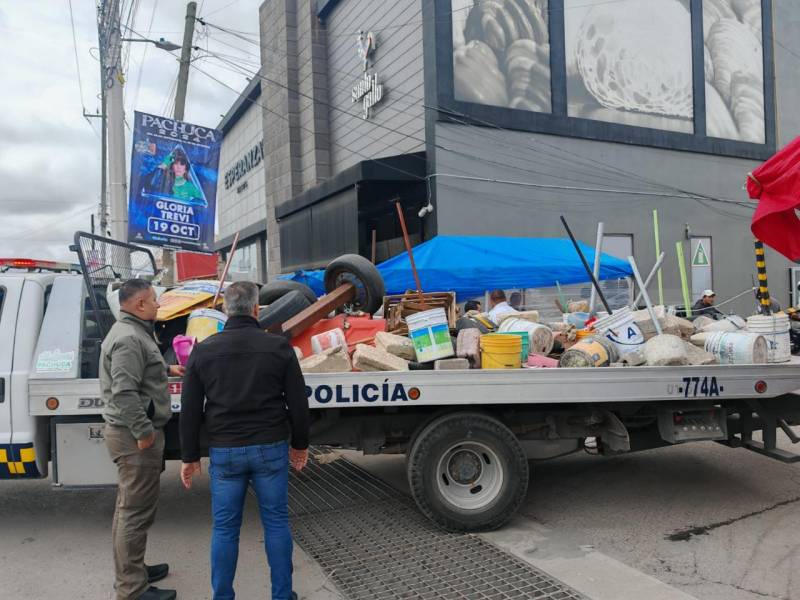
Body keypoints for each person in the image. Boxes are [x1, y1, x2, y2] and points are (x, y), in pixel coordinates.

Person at [179, 281, 310, 600]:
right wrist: (300, 445)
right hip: (270, 447)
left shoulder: (203, 350)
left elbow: (191, 409)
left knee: (224, 529)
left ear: (225, 310)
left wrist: (189, 456)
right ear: (256, 309)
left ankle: (222, 597)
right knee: (276, 523)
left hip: (224, 451)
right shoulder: (279, 347)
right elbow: (298, 402)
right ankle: (282, 595)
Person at [101, 279, 184, 600]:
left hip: (133, 436)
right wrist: (144, 432)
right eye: (153, 300)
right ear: (138, 305)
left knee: (133, 510)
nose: (158, 305)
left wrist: (165, 368)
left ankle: (133, 570)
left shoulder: (133, 332)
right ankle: (132, 590)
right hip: (133, 438)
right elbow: (124, 392)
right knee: (133, 513)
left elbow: (139, 371)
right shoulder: (128, 339)